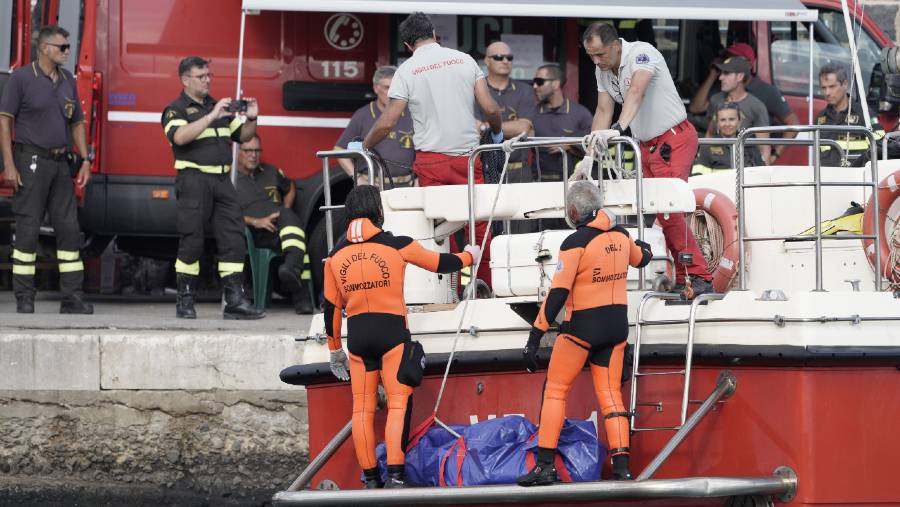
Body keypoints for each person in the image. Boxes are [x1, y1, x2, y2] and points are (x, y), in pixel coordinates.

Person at [323, 185, 480, 489]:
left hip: (357, 339)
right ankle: (395, 476)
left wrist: (334, 350)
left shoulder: (334, 257)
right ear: (378, 212)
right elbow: (439, 265)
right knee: (397, 404)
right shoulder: (397, 245)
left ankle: (370, 479)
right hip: (392, 334)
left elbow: (330, 307)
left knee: (362, 409)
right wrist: (469, 256)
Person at [516, 181, 652, 486]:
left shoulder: (575, 243)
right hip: (616, 328)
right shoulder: (621, 235)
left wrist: (534, 338)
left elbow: (557, 295)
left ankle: (545, 466)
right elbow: (642, 257)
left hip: (581, 330)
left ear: (574, 211)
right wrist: (643, 246)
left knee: (555, 390)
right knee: (611, 396)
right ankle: (622, 468)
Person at [360, 11, 502, 288]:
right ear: (434, 33)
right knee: (480, 226)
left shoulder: (406, 71)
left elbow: (388, 122)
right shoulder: (464, 60)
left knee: (438, 231)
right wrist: (496, 132)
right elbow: (490, 108)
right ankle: (486, 288)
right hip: (468, 158)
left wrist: (365, 146)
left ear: (407, 45)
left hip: (431, 163)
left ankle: (449, 291)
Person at [582, 22, 712, 297]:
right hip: (647, 145)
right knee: (659, 211)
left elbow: (636, 91)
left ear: (616, 45)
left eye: (601, 54)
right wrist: (588, 156)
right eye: (591, 56)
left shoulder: (642, 53)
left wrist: (618, 129)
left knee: (669, 209)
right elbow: (603, 109)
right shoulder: (602, 69)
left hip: (673, 139)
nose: (596, 61)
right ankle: (683, 276)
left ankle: (699, 276)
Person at [0, 25, 93, 314]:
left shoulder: (67, 80)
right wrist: (9, 165)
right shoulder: (22, 79)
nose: (67, 51)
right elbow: (5, 122)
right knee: (28, 230)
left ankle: (72, 298)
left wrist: (85, 158)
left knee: (68, 229)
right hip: (31, 162)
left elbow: (76, 122)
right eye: (62, 47)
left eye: (68, 46)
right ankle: (24, 298)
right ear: (44, 48)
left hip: (60, 164)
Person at [161, 56, 263, 320]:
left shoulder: (214, 106)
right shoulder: (175, 109)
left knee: (233, 239)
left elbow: (244, 136)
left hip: (222, 182)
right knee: (191, 241)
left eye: (209, 75)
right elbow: (180, 137)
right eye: (201, 76)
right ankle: (185, 301)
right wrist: (212, 115)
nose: (207, 80)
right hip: (194, 181)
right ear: (185, 80)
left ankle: (234, 301)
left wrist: (252, 118)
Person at [235, 134, 314, 314]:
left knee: (293, 234)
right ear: (238, 152)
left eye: (257, 150)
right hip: (258, 233)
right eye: (248, 151)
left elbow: (290, 187)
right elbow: (227, 214)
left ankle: (292, 270)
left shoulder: (270, 171)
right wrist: (255, 221)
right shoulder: (231, 179)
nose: (253, 155)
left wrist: (284, 209)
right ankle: (301, 296)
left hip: (282, 227)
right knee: (298, 242)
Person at [689, 43, 798, 163]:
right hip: (717, 163)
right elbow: (698, 112)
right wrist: (713, 74)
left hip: (746, 163)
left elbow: (790, 125)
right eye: (727, 58)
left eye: (735, 59)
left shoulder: (764, 95)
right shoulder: (719, 94)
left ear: (745, 69)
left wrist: (774, 156)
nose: (721, 77)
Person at [335, 66, 416, 187]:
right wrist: (358, 179)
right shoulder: (362, 115)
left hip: (407, 186)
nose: (391, 92)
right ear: (376, 88)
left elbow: (423, 149)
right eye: (387, 87)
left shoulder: (411, 114)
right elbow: (339, 151)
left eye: (395, 87)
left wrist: (419, 179)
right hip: (372, 185)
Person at [477, 41, 536, 185]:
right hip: (484, 169)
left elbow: (524, 128)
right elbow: (473, 128)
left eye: (509, 58)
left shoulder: (525, 90)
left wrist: (486, 127)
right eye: (498, 57)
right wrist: (511, 128)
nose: (505, 61)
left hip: (518, 169)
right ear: (487, 61)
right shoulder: (476, 89)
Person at [703, 56, 772, 163]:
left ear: (740, 76)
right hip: (716, 164)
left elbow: (764, 147)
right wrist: (703, 159)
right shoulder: (715, 100)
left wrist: (763, 174)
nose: (720, 77)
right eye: (721, 73)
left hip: (744, 164)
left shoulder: (756, 106)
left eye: (726, 73)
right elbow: (710, 134)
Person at [531, 63, 593, 181]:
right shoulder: (531, 113)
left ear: (555, 84)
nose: (534, 86)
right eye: (533, 82)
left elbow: (595, 146)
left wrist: (570, 145)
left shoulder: (580, 113)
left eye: (539, 82)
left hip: (572, 182)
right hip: (537, 182)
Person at [816, 64, 884, 167]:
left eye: (832, 86)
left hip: (857, 178)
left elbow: (882, 148)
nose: (827, 92)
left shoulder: (864, 114)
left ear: (845, 84)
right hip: (826, 178)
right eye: (823, 88)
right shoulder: (820, 118)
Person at [692, 102, 765, 175]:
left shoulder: (750, 145)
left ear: (739, 121)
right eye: (723, 120)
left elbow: (763, 174)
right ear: (717, 123)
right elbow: (698, 177)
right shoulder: (707, 146)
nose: (727, 124)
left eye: (731, 119)